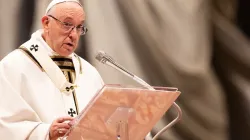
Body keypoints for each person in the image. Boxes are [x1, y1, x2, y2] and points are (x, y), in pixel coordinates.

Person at [0, 0, 104, 140]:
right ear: (46, 23)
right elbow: (5, 125)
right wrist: (46, 132)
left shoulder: (89, 72)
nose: (74, 35)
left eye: (79, 27)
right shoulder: (13, 66)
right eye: (67, 24)